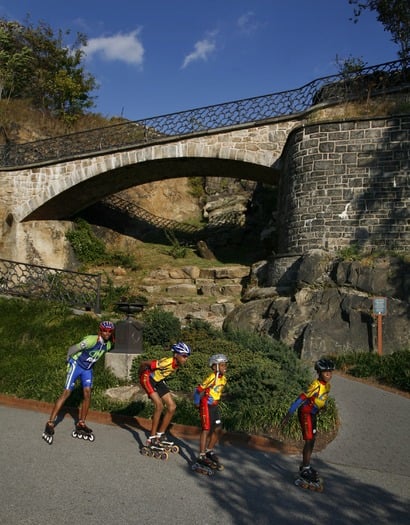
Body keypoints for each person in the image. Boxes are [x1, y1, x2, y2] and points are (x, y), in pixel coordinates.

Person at [42, 320, 115, 444]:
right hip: (76, 365)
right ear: (100, 330)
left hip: (87, 369)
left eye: (109, 331)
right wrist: (67, 362)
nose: (107, 333)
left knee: (87, 393)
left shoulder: (108, 345)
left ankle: (81, 423)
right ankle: (50, 422)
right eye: (104, 330)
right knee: (67, 392)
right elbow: (72, 349)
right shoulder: (91, 340)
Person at [281, 358, 335, 483]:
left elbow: (321, 399)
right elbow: (301, 398)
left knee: (312, 440)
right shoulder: (315, 385)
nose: (328, 374)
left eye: (330, 372)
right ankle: (305, 468)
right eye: (325, 372)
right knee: (309, 440)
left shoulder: (327, 386)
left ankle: (306, 465)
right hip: (305, 413)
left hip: (313, 414)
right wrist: (288, 414)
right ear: (319, 373)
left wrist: (323, 407)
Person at [139, 341, 191, 446]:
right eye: (184, 356)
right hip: (148, 378)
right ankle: (152, 437)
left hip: (158, 380)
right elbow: (144, 363)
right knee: (159, 405)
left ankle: (160, 434)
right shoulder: (167, 362)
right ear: (176, 355)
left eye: (187, 356)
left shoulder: (176, 363)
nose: (186, 359)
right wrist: (140, 374)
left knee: (172, 407)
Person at [193, 353, 228, 470]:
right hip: (206, 406)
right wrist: (197, 403)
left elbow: (217, 391)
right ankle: (201, 456)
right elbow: (198, 390)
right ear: (215, 367)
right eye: (222, 365)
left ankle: (209, 451)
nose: (225, 367)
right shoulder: (211, 377)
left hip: (215, 406)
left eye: (225, 365)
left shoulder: (223, 379)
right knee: (206, 429)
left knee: (218, 429)